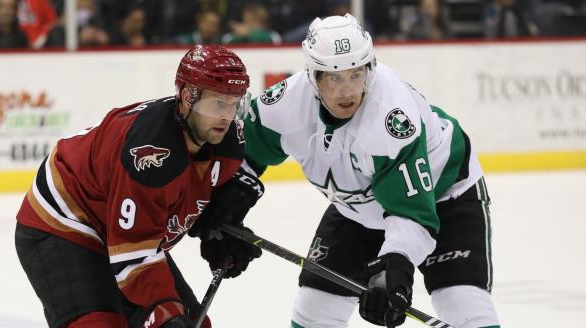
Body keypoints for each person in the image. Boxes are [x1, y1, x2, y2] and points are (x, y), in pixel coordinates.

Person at [192, 14, 501, 328]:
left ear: (370, 68)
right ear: (313, 76)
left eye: (356, 74)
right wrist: (227, 203)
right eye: (333, 77)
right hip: (359, 208)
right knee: (314, 310)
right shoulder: (284, 104)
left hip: (444, 195)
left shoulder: (392, 119)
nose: (347, 90)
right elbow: (241, 154)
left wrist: (395, 264)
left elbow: (412, 212)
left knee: (461, 303)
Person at [14, 45, 262, 328]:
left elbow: (188, 199)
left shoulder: (228, 144)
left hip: (119, 223)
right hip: (65, 222)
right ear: (187, 97)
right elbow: (133, 256)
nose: (227, 116)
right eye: (218, 103)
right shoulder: (150, 154)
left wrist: (219, 229)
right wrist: (165, 317)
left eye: (234, 104)